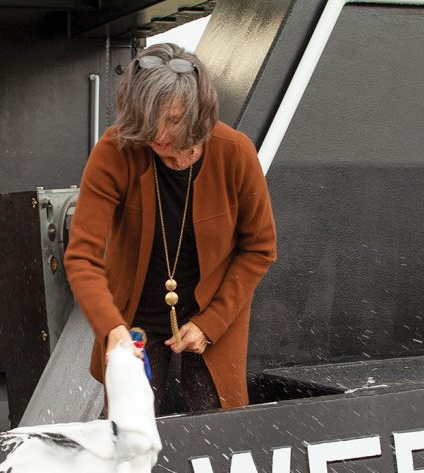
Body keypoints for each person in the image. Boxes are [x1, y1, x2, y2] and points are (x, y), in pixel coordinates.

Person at [64, 43, 277, 415]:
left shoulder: (236, 152)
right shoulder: (115, 150)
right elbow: (82, 257)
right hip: (135, 321)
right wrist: (111, 329)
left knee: (218, 430)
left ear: (198, 114)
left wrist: (210, 324)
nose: (159, 134)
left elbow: (260, 248)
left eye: (174, 121)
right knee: (129, 433)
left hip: (213, 316)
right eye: (148, 121)